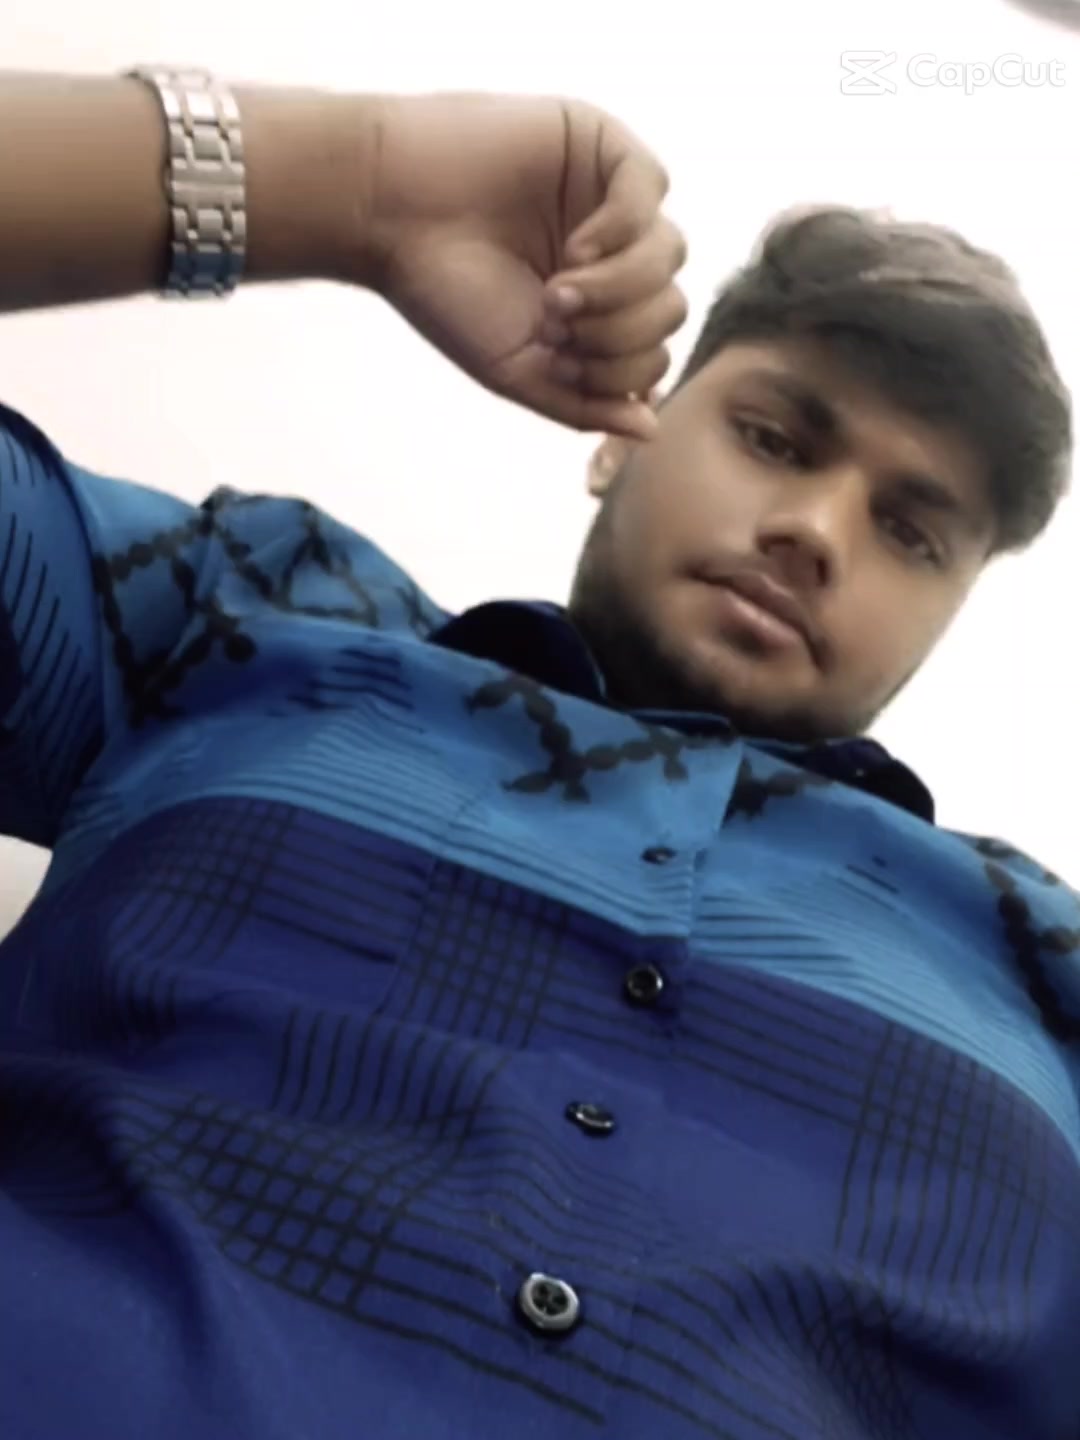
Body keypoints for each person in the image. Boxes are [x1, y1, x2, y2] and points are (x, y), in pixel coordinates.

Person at [0, 67, 1077, 1440]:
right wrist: (357, 188)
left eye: (912, 532)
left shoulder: (1038, 958)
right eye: (771, 437)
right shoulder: (245, 605)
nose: (816, 530)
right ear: (620, 445)